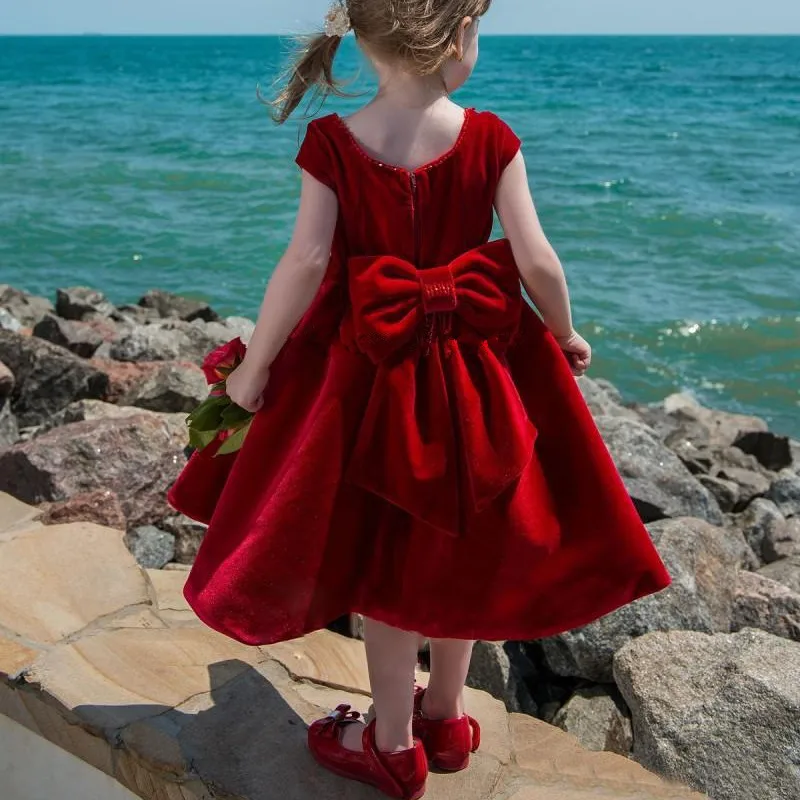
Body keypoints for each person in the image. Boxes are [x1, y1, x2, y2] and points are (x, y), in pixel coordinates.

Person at [166, 1, 672, 798]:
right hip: (478, 375)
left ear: (364, 44)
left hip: (364, 382)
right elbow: (537, 259)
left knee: (386, 553)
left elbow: (305, 262)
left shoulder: (333, 143)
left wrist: (254, 367)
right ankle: (442, 719)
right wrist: (566, 332)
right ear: (454, 41)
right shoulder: (490, 137)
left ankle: (391, 739)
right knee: (460, 538)